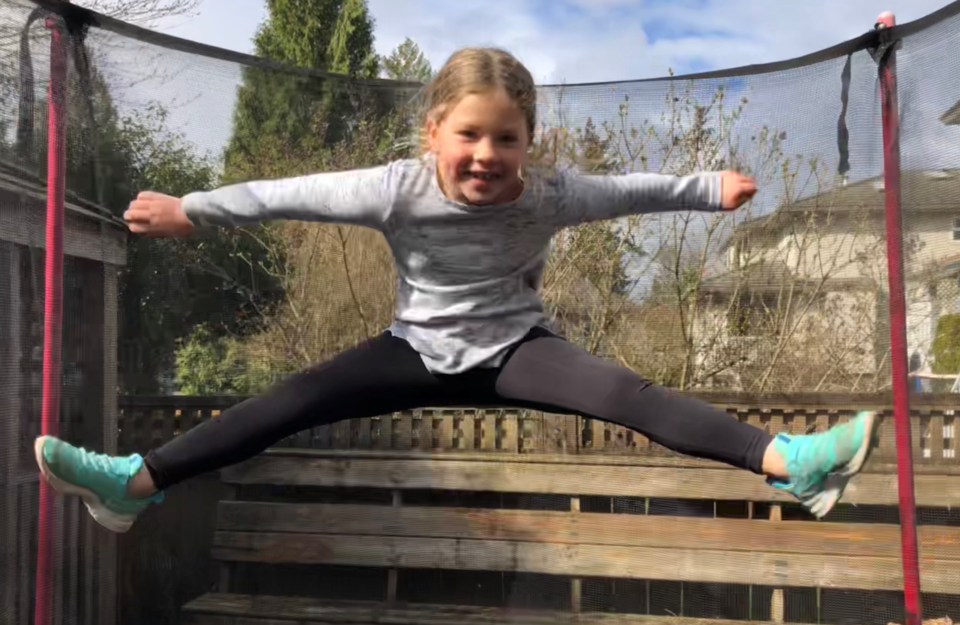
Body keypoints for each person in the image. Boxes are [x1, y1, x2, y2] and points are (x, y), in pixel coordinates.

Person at [35, 47, 879, 534]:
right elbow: (287, 192)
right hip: (414, 347)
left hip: (519, 349)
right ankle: (132, 484)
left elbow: (629, 187)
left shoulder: (550, 193)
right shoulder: (395, 187)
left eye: (505, 138)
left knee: (630, 392)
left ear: (528, 142)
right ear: (433, 131)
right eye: (468, 134)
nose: (486, 154)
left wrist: (705, 188)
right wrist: (194, 208)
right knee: (291, 399)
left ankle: (791, 465)